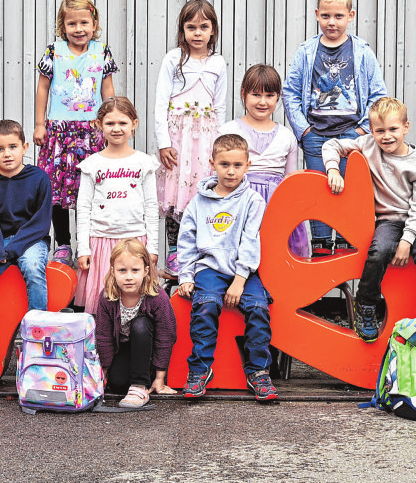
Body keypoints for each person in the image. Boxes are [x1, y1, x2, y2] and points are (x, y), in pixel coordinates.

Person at [322, 97, 416, 341]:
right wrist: (333, 168)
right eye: (380, 131)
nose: (387, 136)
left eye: (393, 129)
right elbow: (332, 145)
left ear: (406, 128)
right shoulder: (367, 145)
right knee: (378, 251)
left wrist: (407, 242)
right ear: (372, 131)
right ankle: (366, 305)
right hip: (388, 220)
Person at [283, 0, 387, 251]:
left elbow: (378, 94)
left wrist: (364, 130)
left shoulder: (361, 52)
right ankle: (318, 250)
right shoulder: (307, 52)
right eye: (326, 16)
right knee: (319, 192)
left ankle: (343, 250)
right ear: (317, 14)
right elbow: (290, 92)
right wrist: (303, 131)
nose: (332, 22)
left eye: (339, 16)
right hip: (317, 135)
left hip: (352, 136)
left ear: (350, 16)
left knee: (347, 193)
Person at [174, 133, 277, 402]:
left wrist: (240, 280)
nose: (231, 171)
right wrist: (185, 276)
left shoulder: (252, 201)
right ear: (212, 163)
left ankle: (258, 371)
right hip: (209, 268)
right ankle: (199, 370)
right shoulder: (198, 203)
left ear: (248, 165)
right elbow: (185, 241)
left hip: (244, 271)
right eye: (224, 164)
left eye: (237, 165)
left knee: (258, 308)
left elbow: (251, 241)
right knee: (205, 305)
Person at [33, 0, 118, 266]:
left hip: (90, 131)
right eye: (72, 24)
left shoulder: (101, 51)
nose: (78, 29)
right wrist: (39, 123)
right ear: (63, 26)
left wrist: (110, 120)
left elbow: (107, 89)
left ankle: (86, 240)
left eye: (84, 23)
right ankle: (63, 243)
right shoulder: (54, 51)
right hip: (59, 131)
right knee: (56, 189)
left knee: (88, 189)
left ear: (94, 25)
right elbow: (43, 87)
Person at [0, 120, 52, 371]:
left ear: (25, 147)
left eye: (13, 147)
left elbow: (40, 222)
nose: (7, 154)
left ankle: (37, 337)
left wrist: (14, 249)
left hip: (31, 240)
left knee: (35, 268)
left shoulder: (38, 178)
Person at [153, 0, 227, 272]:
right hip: (177, 139)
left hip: (205, 141)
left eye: (203, 27)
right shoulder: (174, 59)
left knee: (199, 194)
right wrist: (163, 143)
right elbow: (161, 104)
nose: (197, 33)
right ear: (182, 30)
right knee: (175, 196)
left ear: (213, 31)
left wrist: (218, 146)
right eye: (191, 27)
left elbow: (220, 107)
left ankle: (199, 250)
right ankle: (174, 251)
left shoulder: (217, 63)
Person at [74, 96, 160, 316]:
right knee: (104, 303)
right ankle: (102, 347)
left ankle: (132, 346)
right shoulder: (92, 164)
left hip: (135, 241)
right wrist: (83, 248)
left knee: (134, 303)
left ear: (134, 123)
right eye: (110, 123)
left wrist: (153, 248)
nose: (116, 129)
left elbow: (151, 207)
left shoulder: (144, 163)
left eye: (122, 123)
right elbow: (83, 208)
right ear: (99, 125)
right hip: (101, 242)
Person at [217, 64, 310, 259]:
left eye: (269, 95)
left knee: (273, 260)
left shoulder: (287, 136)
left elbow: (290, 182)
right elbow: (217, 177)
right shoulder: (228, 130)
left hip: (275, 211)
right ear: (244, 94)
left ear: (278, 97)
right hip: (238, 205)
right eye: (256, 94)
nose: (262, 102)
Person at [94, 239, 178, 408]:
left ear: (146, 270)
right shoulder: (107, 297)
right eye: (122, 270)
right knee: (117, 384)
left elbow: (165, 336)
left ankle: (140, 384)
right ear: (113, 271)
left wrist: (160, 379)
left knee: (140, 324)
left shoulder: (156, 297)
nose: (129, 277)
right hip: (124, 350)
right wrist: (103, 374)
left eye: (135, 270)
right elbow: (104, 337)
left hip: (149, 352)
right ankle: (133, 382)